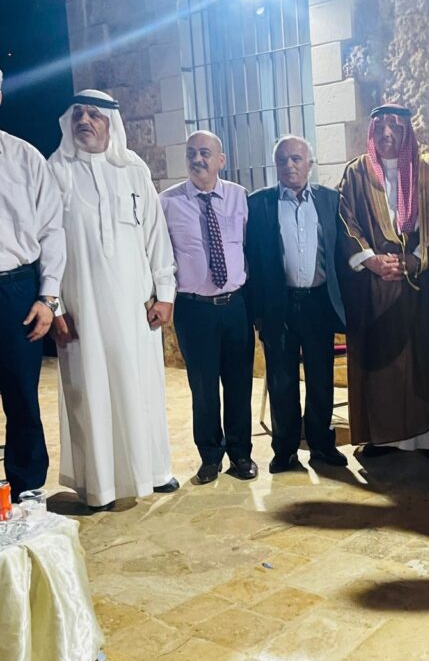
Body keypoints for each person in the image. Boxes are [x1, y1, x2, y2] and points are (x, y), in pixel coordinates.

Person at [49, 90, 179, 509]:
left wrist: (165, 294)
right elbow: (46, 245)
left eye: (94, 114)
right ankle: (99, 486)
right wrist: (55, 308)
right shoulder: (56, 171)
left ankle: (153, 471)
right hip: (81, 308)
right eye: (78, 114)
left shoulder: (134, 169)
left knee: (141, 388)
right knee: (90, 393)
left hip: (134, 307)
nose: (84, 121)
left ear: (111, 122)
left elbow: (156, 236)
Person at [338, 104, 429, 458]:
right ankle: (385, 439)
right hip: (377, 286)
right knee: (385, 367)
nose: (387, 135)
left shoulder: (428, 169)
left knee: (426, 357)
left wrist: (417, 259)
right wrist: (371, 260)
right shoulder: (357, 172)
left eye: (394, 128)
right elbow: (346, 221)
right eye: (380, 129)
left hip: (423, 286)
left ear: (407, 132)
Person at [245, 135, 347, 474]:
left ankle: (321, 445)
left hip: (318, 304)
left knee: (320, 378)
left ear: (310, 165)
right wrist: (258, 313)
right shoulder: (258, 204)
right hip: (279, 305)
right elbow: (252, 260)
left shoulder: (331, 200)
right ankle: (285, 450)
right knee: (282, 380)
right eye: (283, 160)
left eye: (296, 159)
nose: (289, 165)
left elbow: (340, 253)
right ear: (275, 165)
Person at [160, 132, 256, 484]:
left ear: (221, 159)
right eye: (191, 153)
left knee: (239, 384)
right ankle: (210, 456)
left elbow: (249, 248)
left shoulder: (240, 197)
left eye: (205, 153)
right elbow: (160, 256)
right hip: (194, 310)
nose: (197, 159)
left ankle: (241, 454)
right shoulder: (167, 203)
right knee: (203, 388)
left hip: (235, 306)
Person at [0, 69, 65, 499]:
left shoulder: (25, 158)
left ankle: (27, 491)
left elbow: (52, 230)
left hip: (16, 291)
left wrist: (48, 297)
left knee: (22, 395)